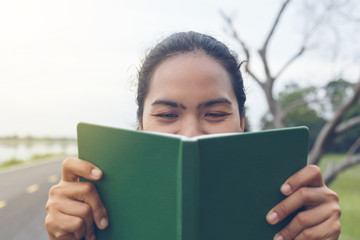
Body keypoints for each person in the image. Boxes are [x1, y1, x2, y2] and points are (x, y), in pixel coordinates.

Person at [45, 31, 341, 240]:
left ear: (242, 121)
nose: (190, 134)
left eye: (214, 114)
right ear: (141, 123)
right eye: (166, 115)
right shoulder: (99, 209)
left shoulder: (289, 211)